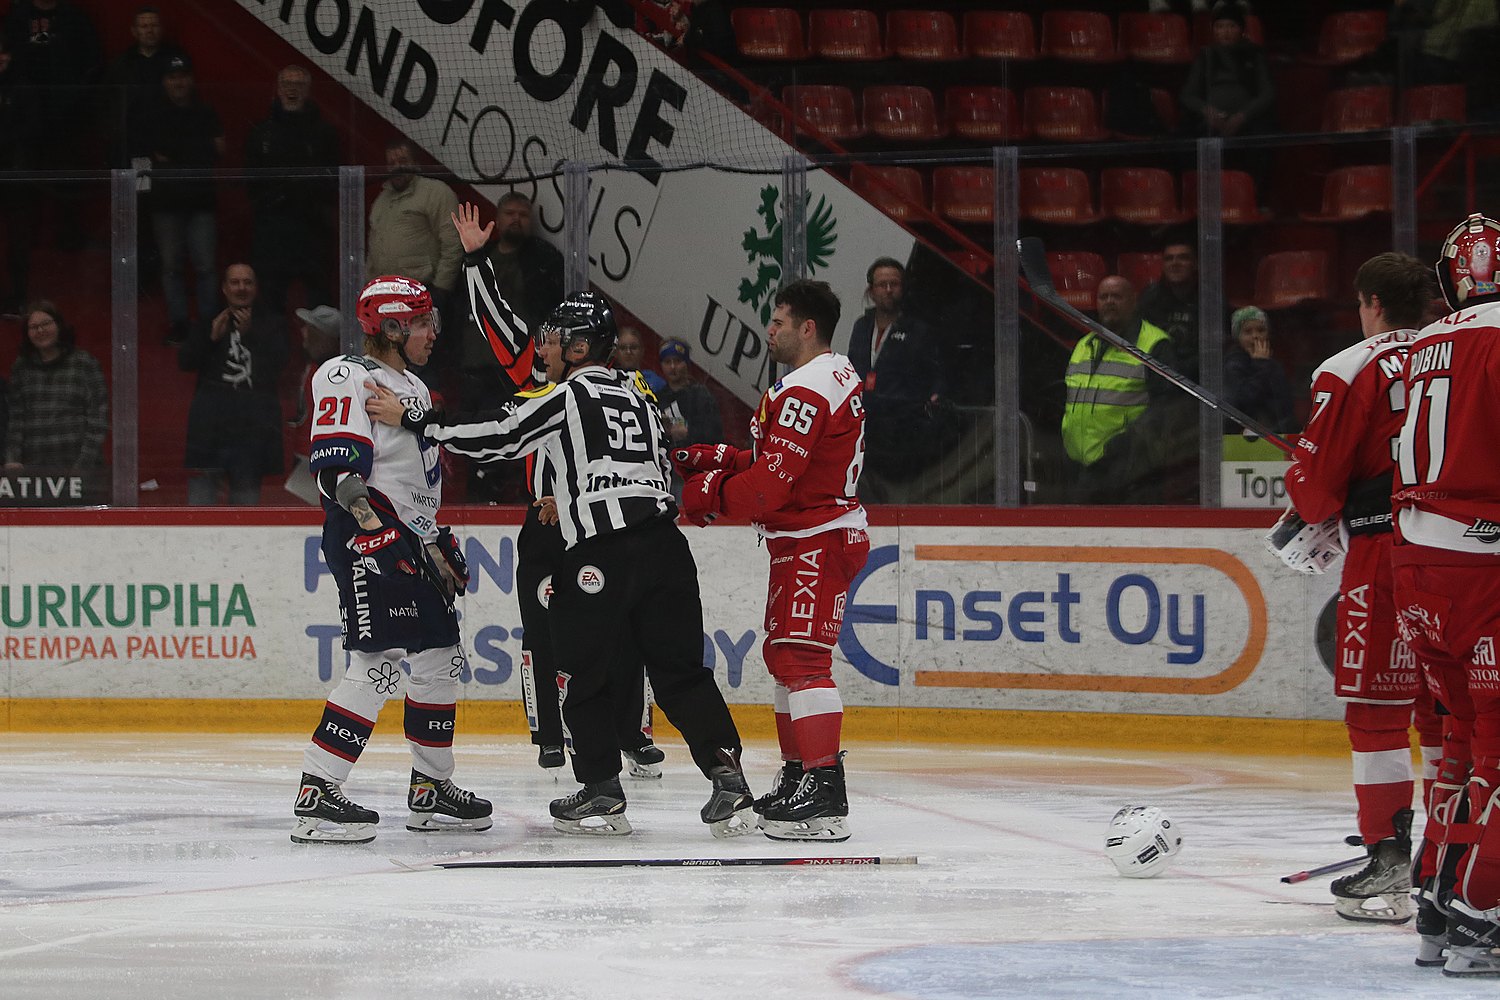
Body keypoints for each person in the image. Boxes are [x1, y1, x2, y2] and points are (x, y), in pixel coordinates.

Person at [368, 283, 753, 838]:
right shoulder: (640, 394)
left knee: (581, 670)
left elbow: (500, 435)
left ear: (577, 348)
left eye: (551, 342)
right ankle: (729, 777)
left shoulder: (570, 395)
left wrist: (416, 420)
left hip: (603, 554)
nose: (542, 351)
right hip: (667, 550)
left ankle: (600, 788)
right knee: (681, 672)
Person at [442, 202, 662, 777]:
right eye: (544, 339)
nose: (541, 347)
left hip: (601, 523)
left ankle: (632, 733)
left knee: (624, 627)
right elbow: (499, 326)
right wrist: (476, 261)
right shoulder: (544, 378)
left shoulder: (626, 385)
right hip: (547, 526)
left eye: (554, 338)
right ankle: (548, 735)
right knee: (543, 630)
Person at [292, 274, 492, 844]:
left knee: (439, 660)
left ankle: (431, 786)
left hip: (409, 539)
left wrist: (430, 540)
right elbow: (335, 469)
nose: (435, 331)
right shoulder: (347, 373)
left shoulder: (418, 392)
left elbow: (413, 479)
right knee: (376, 665)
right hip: (369, 539)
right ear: (393, 326)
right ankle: (318, 789)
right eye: (425, 321)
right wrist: (373, 527)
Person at [675, 279, 869, 843]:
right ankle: (798, 774)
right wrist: (726, 458)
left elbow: (769, 490)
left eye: (779, 321)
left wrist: (707, 496)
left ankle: (823, 788)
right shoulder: (830, 376)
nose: (770, 329)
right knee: (786, 655)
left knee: (801, 658)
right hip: (810, 533)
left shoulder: (806, 389)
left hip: (818, 535)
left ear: (808, 328)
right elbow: (784, 462)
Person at [1282, 252, 1440, 926]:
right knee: (1450, 707)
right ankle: (1449, 856)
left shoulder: (1348, 367)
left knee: (1377, 712)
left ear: (1371, 301)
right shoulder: (1457, 348)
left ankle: (1388, 860)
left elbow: (1316, 493)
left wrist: (1303, 469)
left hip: (1383, 553)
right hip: (1459, 550)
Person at [1392, 213, 1500, 974]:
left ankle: (1436, 902)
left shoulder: (1428, 339)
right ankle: (1481, 911)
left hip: (1417, 562)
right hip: (1483, 560)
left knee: (1460, 741)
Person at [458, 190, 564, 501]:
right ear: (498, 217)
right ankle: (478, 502)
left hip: (521, 366)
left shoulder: (544, 259)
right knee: (480, 441)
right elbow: (470, 309)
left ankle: (527, 498)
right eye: (510, 213)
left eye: (523, 214)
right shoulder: (483, 256)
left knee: (522, 440)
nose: (516, 219)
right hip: (477, 368)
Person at [1061, 275, 1187, 505]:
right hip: (1081, 467)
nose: (1109, 302)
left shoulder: (1154, 345)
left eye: (1117, 296)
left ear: (1133, 301)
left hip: (1130, 471)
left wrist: (1125, 444)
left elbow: (1166, 407)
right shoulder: (1084, 345)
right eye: (1104, 297)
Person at [178, 263, 287, 505]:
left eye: (247, 282)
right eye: (235, 282)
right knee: (200, 511)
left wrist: (249, 334)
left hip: (251, 436)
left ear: (256, 288)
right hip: (209, 434)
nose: (241, 288)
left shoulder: (271, 324)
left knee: (246, 511)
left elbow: (277, 367)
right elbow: (185, 362)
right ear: (224, 288)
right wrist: (211, 339)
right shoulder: (209, 322)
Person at [846, 257, 947, 502]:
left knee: (901, 499)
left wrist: (935, 396)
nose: (888, 290)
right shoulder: (861, 327)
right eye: (882, 284)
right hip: (866, 432)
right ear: (871, 290)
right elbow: (851, 370)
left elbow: (936, 374)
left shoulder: (918, 330)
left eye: (894, 284)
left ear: (903, 288)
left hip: (902, 433)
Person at [140, 52, 223, 347]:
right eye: (173, 77)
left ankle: (209, 326)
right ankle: (178, 324)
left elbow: (218, 150)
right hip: (166, 204)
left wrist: (175, 154)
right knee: (171, 266)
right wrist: (194, 150)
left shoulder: (205, 111)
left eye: (183, 76)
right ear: (165, 81)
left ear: (191, 79)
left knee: (205, 267)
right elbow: (154, 153)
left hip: (201, 202)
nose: (179, 82)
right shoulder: (153, 114)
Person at [244, 65, 339, 320]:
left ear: (308, 90)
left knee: (319, 300)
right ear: (277, 89)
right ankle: (274, 358)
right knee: (271, 300)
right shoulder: (261, 133)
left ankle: (325, 358)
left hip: (312, 230)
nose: (291, 89)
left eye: (298, 84)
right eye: (286, 83)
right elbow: (250, 183)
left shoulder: (324, 133)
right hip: (273, 232)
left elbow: (333, 182)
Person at [365, 138, 462, 349]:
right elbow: (374, 250)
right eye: (392, 162)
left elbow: (452, 244)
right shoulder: (381, 200)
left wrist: (440, 291)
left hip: (422, 297)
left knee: (422, 360)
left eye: (402, 160)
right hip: (385, 301)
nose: (397, 166)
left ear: (415, 162)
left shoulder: (435, 192)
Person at [3, 300, 106, 471]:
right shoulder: (21, 367)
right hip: (35, 467)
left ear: (59, 325)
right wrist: (12, 458)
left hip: (80, 467)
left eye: (46, 324)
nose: (40, 330)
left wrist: (83, 466)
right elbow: (16, 418)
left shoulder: (84, 363)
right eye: (34, 327)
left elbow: (98, 418)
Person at [101, 5, 185, 168]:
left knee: (166, 191)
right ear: (134, 31)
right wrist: (113, 133)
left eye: (154, 25)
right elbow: (106, 102)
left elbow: (187, 99)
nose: (150, 31)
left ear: (161, 29)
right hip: (130, 145)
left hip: (168, 143)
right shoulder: (121, 64)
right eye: (144, 26)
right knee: (131, 192)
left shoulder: (176, 60)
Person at [1179, 1, 1275, 138]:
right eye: (1220, 27)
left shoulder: (1254, 54)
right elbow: (1188, 95)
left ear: (1241, 30)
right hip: (1210, 120)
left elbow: (1267, 93)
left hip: (1248, 119)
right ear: (1214, 30)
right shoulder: (1206, 55)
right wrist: (1207, 112)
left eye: (1231, 26)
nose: (1226, 32)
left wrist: (1242, 116)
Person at [657, 338, 723, 498]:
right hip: (664, 474)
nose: (673, 367)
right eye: (667, 362)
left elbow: (715, 436)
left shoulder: (700, 395)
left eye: (678, 361)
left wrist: (687, 432)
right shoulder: (657, 398)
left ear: (687, 363)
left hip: (694, 472)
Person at [1223, 306, 1296, 433]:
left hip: (1276, 435)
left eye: (1261, 330)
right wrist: (1260, 365)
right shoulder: (1233, 365)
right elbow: (1242, 403)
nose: (1255, 336)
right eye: (1248, 332)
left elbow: (1285, 407)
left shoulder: (1274, 365)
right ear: (1237, 337)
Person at [1137, 241, 1199, 363]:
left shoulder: (1210, 298)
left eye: (1183, 258)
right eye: (1169, 259)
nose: (1175, 263)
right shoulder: (1149, 298)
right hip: (1156, 367)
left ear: (1195, 264)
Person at [289, 304, 343, 429]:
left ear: (324, 338)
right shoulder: (311, 369)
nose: (303, 332)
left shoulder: (342, 375)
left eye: (310, 328)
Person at [614, 326, 666, 394]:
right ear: (615, 352)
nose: (628, 352)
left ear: (642, 351)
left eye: (633, 347)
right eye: (623, 348)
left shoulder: (656, 382)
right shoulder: (610, 379)